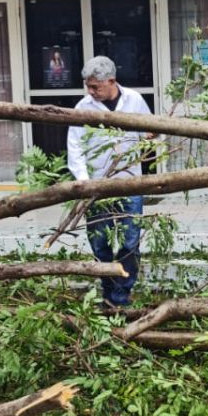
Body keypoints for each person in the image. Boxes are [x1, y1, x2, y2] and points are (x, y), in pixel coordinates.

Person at [66, 56, 153, 307]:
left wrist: (149, 136)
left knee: (129, 241)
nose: (91, 92)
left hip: (130, 182)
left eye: (96, 87)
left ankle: (121, 295)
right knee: (100, 241)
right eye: (88, 86)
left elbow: (147, 131)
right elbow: (75, 148)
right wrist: (84, 183)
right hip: (97, 187)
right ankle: (108, 289)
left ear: (111, 81)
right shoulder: (84, 107)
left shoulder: (134, 100)